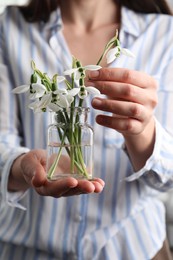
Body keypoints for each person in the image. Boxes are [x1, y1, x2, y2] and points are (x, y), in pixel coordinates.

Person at [0, 0, 173, 259]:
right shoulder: (11, 26)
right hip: (28, 248)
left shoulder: (164, 34)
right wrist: (22, 166)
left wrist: (142, 130)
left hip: (134, 248)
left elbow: (166, 178)